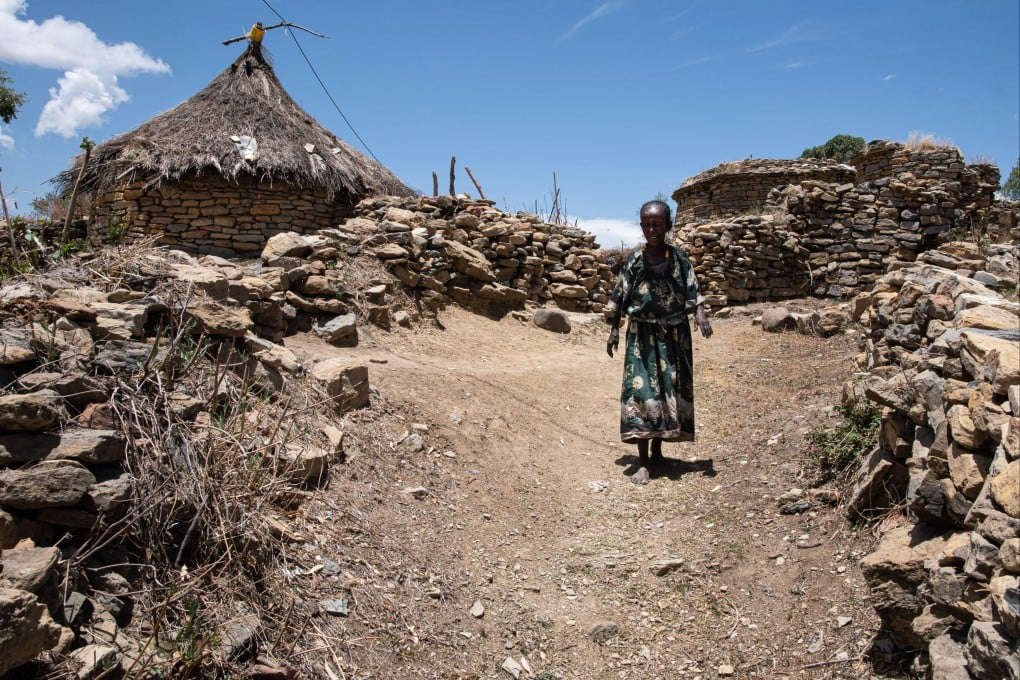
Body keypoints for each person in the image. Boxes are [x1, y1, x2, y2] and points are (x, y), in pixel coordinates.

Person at [605, 199, 712, 484]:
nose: (651, 229)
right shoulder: (634, 261)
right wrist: (614, 330)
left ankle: (658, 450)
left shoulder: (679, 259)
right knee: (641, 393)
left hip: (675, 335)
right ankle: (642, 462)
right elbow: (619, 298)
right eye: (646, 224)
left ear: (668, 225)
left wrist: (701, 314)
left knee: (668, 392)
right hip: (642, 336)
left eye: (657, 224)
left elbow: (694, 289)